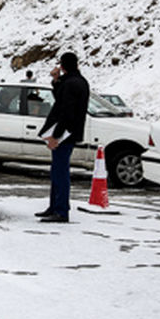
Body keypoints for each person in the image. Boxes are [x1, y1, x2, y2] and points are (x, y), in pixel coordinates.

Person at [37, 52, 90, 223]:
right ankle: (55, 206)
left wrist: (56, 136)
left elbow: (65, 112)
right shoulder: (77, 81)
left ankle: (60, 210)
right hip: (70, 132)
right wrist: (56, 80)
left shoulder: (72, 84)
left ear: (63, 66)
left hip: (65, 133)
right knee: (57, 171)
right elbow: (61, 98)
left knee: (60, 172)